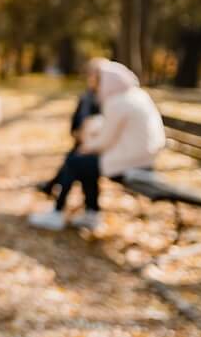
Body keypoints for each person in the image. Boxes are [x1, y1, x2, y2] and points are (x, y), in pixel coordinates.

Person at [28, 61, 165, 231]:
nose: (95, 86)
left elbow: (104, 140)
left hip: (131, 162)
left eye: (97, 80)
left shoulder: (117, 102)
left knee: (76, 161)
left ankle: (58, 212)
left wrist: (86, 145)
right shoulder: (136, 95)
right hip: (144, 158)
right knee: (83, 162)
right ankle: (91, 213)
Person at [35, 57, 105, 196]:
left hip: (97, 145)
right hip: (83, 140)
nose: (90, 78)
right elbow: (76, 121)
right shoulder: (86, 97)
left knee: (73, 160)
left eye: (94, 75)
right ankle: (57, 191)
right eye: (89, 74)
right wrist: (77, 133)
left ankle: (57, 195)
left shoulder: (104, 100)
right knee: (73, 158)